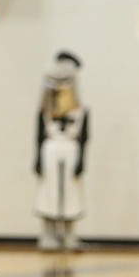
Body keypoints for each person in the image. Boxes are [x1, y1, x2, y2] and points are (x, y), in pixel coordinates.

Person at [34, 51, 89, 251]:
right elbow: (39, 131)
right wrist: (37, 157)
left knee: (72, 191)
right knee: (49, 190)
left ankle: (69, 234)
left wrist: (82, 159)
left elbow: (85, 135)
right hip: (51, 148)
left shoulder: (81, 106)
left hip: (71, 148)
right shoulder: (45, 105)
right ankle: (48, 234)